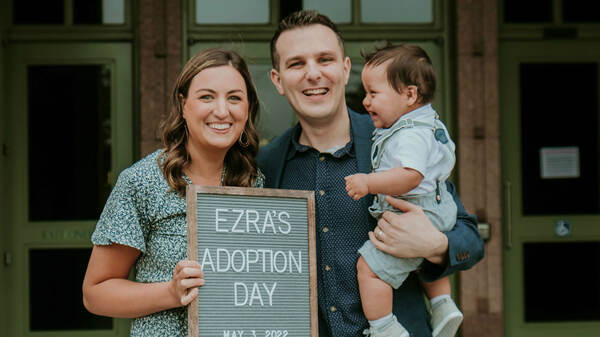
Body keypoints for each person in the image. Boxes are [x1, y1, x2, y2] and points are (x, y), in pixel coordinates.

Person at [257, 10, 484, 337]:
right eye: (296, 64)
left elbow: (470, 239)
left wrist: (435, 244)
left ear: (345, 69)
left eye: (325, 59)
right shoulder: (267, 164)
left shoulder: (398, 143)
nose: (313, 74)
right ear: (278, 80)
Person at [82, 48, 264, 336]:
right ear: (183, 105)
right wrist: (170, 292)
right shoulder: (143, 182)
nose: (221, 110)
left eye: (234, 98)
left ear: (248, 108)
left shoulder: (254, 184)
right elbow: (96, 292)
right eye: (206, 96)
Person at [345, 44, 462, 337]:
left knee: (368, 268)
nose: (366, 100)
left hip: (411, 211)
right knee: (420, 257)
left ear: (410, 95)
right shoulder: (427, 123)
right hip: (436, 207)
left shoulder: (409, 135)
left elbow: (410, 175)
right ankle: (443, 305)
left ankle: (385, 327)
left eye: (374, 93)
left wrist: (368, 182)